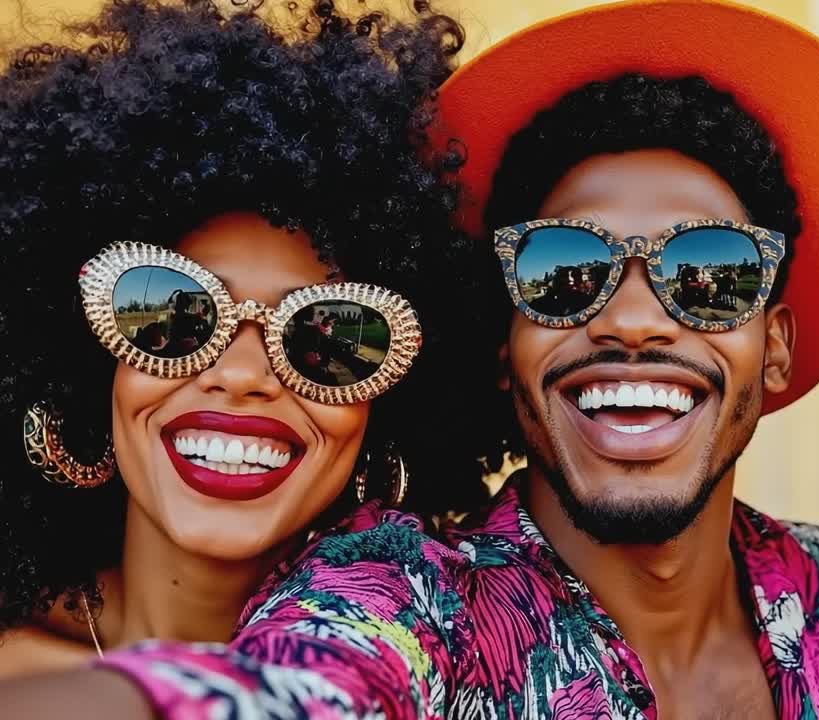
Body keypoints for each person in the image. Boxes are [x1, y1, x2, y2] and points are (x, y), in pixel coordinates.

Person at [0, 2, 819, 718]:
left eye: (707, 271)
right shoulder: (405, 592)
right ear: (501, 350)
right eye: (561, 270)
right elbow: (288, 683)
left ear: (779, 346)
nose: (633, 319)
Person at [0, 0, 494, 680]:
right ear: (92, 362)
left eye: (331, 334)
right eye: (172, 312)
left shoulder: (454, 684)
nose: (241, 374)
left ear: (389, 407)